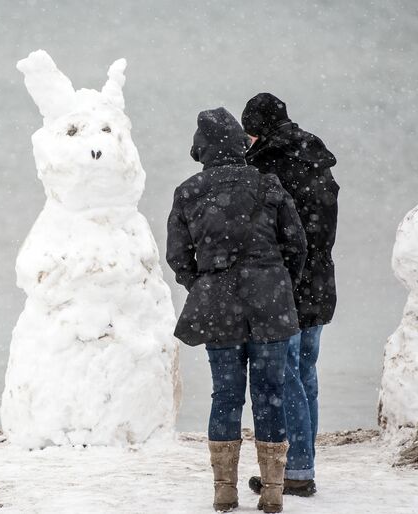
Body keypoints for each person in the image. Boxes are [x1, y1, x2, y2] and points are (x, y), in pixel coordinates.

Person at [167, 107, 307, 513]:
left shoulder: (189, 191)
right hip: (270, 303)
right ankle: (274, 491)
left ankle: (224, 489)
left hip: (219, 305)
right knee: (270, 395)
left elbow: (178, 256)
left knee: (225, 395)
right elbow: (296, 246)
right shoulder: (269, 186)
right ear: (240, 145)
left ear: (203, 149)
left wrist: (204, 283)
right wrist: (278, 282)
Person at [241, 93, 339, 497]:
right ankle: (304, 461)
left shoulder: (267, 166)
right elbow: (322, 228)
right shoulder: (316, 157)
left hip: (287, 284)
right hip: (319, 280)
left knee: (285, 379)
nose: (246, 141)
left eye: (248, 133)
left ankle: (296, 470)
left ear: (257, 129)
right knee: (306, 375)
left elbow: (274, 233)